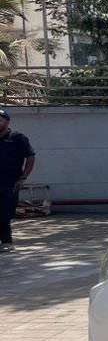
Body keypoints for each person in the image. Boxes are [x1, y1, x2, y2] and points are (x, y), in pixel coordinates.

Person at [0, 108, 36, 253]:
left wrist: (23, 177)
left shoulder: (17, 138)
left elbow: (30, 157)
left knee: (4, 213)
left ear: (7, 121)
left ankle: (6, 241)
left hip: (10, 182)